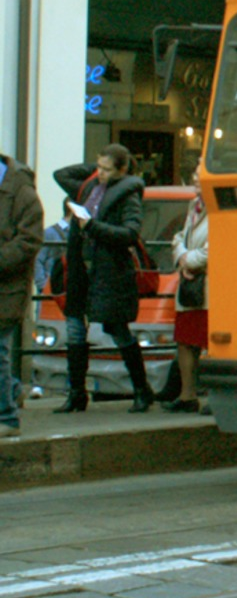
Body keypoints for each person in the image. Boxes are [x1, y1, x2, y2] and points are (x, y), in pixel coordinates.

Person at [53, 144, 153, 413]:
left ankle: (142, 389)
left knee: (117, 329)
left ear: (122, 170)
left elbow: (130, 233)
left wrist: (92, 227)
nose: (100, 173)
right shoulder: (90, 186)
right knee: (74, 327)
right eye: (98, 167)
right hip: (81, 267)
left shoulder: (128, 194)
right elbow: (60, 174)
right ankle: (76, 392)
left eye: (107, 169)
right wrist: (95, 169)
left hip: (109, 270)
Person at [0, 151, 44, 437]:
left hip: (7, 288)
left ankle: (7, 418)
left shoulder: (22, 193)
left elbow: (29, 241)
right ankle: (14, 391)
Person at [165, 169, 208, 413]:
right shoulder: (195, 206)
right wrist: (183, 259)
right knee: (184, 340)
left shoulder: (219, 206)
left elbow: (215, 247)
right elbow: (179, 237)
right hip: (191, 283)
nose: (194, 179)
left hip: (210, 286)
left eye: (199, 175)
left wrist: (187, 260)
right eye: (193, 174)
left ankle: (212, 395)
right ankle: (187, 394)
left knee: (209, 342)